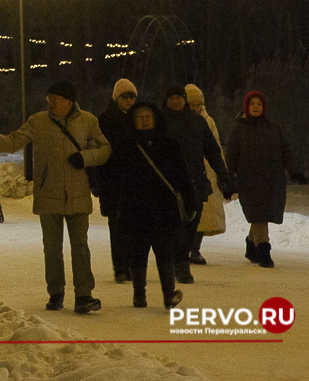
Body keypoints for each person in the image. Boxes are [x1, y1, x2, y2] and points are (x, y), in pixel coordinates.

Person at [0, 80, 110, 314]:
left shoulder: (88, 121)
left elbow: (105, 150)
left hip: (78, 194)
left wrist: (85, 158)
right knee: (52, 247)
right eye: (49, 98)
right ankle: (56, 291)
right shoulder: (38, 121)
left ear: (69, 101)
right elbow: (11, 143)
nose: (51, 102)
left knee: (80, 247)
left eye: (56, 98)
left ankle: (84, 294)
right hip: (48, 193)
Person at [114, 102, 196, 310]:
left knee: (164, 252)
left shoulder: (169, 144)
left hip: (164, 209)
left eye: (147, 117)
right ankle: (139, 294)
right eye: (139, 117)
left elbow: (182, 175)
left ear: (155, 119)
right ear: (133, 121)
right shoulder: (127, 146)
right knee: (138, 253)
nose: (143, 120)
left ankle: (169, 296)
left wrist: (190, 199)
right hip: (136, 209)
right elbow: (114, 177)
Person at [160, 83, 231, 284]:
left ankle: (181, 260)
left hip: (194, 182)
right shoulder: (159, 122)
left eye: (178, 98)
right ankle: (178, 265)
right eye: (171, 98)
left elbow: (212, 150)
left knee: (191, 224)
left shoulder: (197, 122)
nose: (175, 101)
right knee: (172, 227)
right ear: (166, 100)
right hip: (167, 184)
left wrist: (223, 174)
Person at [225, 90, 305, 269]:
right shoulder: (238, 130)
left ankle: (251, 245)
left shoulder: (274, 129)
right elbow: (230, 158)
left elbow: (286, 151)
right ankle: (263, 250)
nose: (255, 107)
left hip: (273, 180)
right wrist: (228, 181)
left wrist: (294, 171)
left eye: (259, 104)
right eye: (252, 104)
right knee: (258, 213)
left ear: (264, 107)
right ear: (246, 106)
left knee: (262, 214)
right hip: (249, 181)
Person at [96, 79, 137, 283]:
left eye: (131, 96)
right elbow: (99, 152)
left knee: (135, 226)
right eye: (125, 96)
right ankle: (121, 266)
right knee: (117, 225)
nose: (129, 100)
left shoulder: (141, 117)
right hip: (113, 180)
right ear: (117, 98)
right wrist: (97, 182)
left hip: (136, 181)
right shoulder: (105, 120)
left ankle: (132, 264)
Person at [185, 84, 226, 265]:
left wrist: (221, 171)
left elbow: (215, 148)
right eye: (191, 104)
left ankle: (195, 249)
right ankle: (184, 249)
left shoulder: (208, 122)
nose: (195, 108)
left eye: (198, 104)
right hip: (188, 171)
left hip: (206, 171)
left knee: (204, 214)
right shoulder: (182, 122)